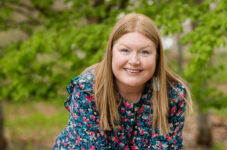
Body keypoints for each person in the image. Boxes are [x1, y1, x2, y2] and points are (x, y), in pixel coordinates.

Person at [52, 13, 192, 150]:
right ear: (111, 52)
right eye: (125, 50)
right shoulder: (88, 89)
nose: (134, 61)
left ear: (157, 57)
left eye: (144, 52)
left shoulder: (172, 95)